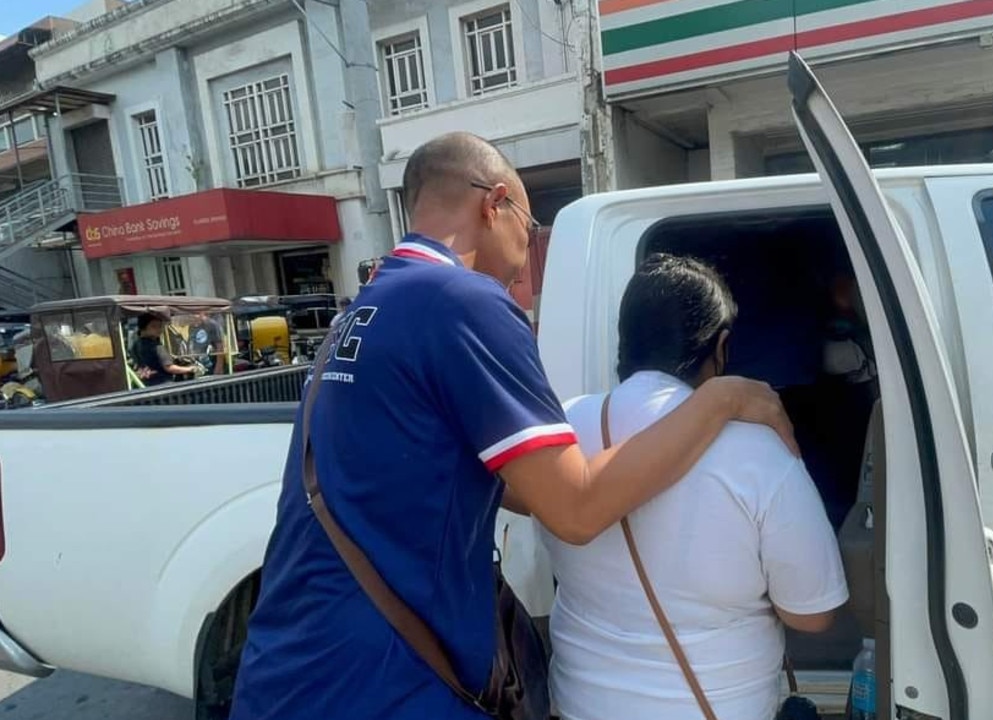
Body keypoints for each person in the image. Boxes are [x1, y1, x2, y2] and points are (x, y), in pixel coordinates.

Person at [229, 132, 796, 720]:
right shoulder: (464, 301)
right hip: (386, 685)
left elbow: (481, 480)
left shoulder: (367, 308)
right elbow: (575, 511)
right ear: (493, 203)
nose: (529, 242)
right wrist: (718, 402)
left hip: (293, 666)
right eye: (529, 220)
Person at [538, 254, 848, 720]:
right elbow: (813, 614)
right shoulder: (759, 448)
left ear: (626, 339)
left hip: (578, 705)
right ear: (721, 347)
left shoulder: (562, 427)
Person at [130, 312, 199, 386]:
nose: (159, 329)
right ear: (143, 328)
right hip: (163, 385)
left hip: (145, 385)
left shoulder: (135, 345)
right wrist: (190, 369)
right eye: (154, 326)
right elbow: (169, 367)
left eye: (160, 326)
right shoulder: (157, 347)